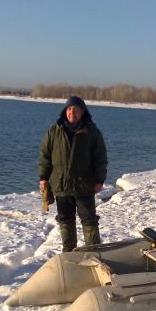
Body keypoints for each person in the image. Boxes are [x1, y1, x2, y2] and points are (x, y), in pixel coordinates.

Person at [39, 96, 108, 252]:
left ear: (83, 112)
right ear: (65, 111)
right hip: (61, 184)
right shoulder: (54, 131)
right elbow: (45, 156)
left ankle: (94, 252)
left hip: (84, 185)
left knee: (89, 220)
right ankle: (69, 252)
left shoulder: (92, 132)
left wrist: (99, 180)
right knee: (65, 220)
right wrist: (43, 177)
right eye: (69, 109)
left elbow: (100, 159)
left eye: (76, 110)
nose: (72, 112)